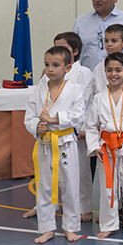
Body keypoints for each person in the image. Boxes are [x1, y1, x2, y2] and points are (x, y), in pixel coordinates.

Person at [23, 33, 95, 222]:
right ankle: (45, 210)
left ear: (74, 53)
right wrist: (37, 127)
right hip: (48, 136)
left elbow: (85, 104)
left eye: (63, 50)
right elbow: (35, 109)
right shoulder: (44, 81)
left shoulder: (82, 74)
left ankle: (84, 208)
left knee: (76, 176)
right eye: (48, 64)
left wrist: (80, 127)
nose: (50, 67)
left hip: (71, 132)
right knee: (46, 177)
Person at [84, 52, 123, 239]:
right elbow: (92, 125)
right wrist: (94, 147)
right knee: (108, 188)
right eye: (109, 70)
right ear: (104, 72)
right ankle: (109, 224)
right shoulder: (99, 97)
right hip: (106, 148)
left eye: (118, 70)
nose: (113, 74)